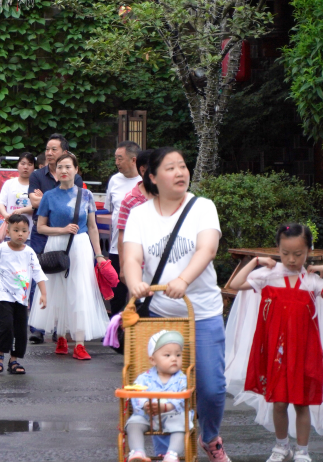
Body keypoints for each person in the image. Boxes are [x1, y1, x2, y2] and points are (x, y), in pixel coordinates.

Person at [122, 147, 228, 462]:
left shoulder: (202, 207)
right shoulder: (140, 214)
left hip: (203, 313)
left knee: (211, 388)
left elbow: (207, 249)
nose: (180, 172)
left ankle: (210, 437)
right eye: (170, 168)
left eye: (182, 166)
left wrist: (183, 280)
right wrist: (134, 283)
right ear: (152, 177)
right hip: (159, 317)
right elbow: (131, 257)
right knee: (159, 388)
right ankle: (164, 452)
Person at [226, 224, 323, 462]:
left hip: (303, 352)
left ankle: (302, 450)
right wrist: (256, 260)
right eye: (285, 253)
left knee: (301, 403)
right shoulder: (268, 277)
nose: (291, 259)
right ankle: (281, 447)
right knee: (278, 403)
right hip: (276, 353)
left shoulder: (311, 282)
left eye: (298, 254)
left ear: (308, 250)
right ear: (277, 249)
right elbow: (235, 285)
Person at [29, 152, 109, 361]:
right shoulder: (48, 196)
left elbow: (92, 227)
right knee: (57, 291)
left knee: (80, 291)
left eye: (68, 167)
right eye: (59, 167)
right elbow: (40, 227)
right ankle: (61, 336)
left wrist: (99, 254)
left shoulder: (87, 195)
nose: (63, 171)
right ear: (54, 172)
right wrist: (62, 230)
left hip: (81, 246)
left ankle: (80, 343)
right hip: (56, 246)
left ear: (76, 170)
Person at [0, 214, 47, 376]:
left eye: (24, 231)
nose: (20, 234)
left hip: (21, 297)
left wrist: (43, 294)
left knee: (20, 330)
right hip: (3, 295)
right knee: (6, 325)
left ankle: (14, 359)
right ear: (8, 230)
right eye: (16, 230)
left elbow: (38, 273)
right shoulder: (0, 250)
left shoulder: (30, 252)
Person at [125, 331, 189, 462]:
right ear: (153, 360)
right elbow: (136, 393)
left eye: (178, 355)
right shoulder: (144, 378)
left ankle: (172, 454)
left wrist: (168, 406)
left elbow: (183, 398)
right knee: (133, 424)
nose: (174, 358)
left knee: (183, 424)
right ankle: (138, 452)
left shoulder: (182, 379)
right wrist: (145, 404)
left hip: (172, 414)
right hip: (148, 415)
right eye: (167, 355)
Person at [107, 142, 142, 309]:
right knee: (117, 297)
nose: (116, 162)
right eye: (115, 158)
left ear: (133, 160)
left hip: (141, 249)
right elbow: (111, 212)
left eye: (120, 159)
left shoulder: (146, 182)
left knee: (140, 295)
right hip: (116, 248)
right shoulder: (114, 180)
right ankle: (116, 333)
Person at [0, 152, 36, 241]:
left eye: (30, 164)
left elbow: (38, 205)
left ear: (34, 168)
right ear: (18, 165)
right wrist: (5, 215)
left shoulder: (37, 186)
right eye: (23, 163)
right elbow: (0, 203)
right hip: (10, 233)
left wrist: (21, 210)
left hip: (29, 234)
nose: (26, 167)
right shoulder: (9, 183)